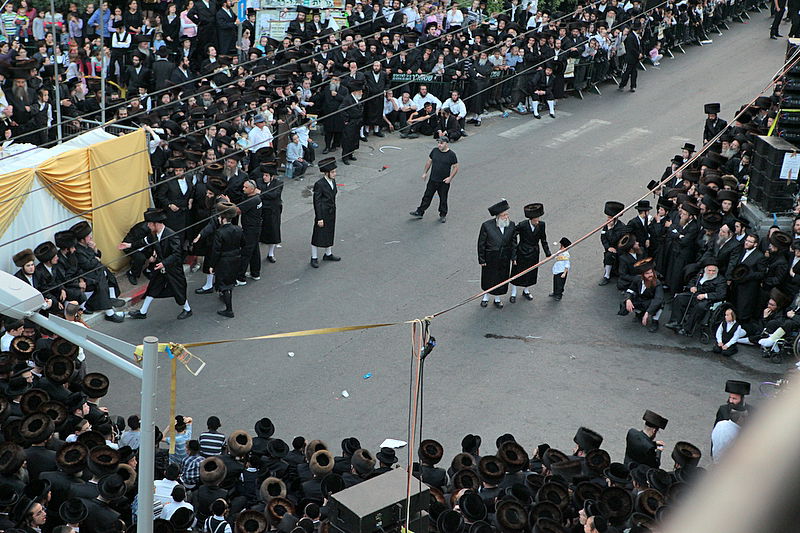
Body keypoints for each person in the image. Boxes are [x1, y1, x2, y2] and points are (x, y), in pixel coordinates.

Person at [124, 208, 193, 320]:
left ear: (156, 224)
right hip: (160, 267)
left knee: (178, 289)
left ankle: (187, 309)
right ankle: (142, 312)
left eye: (149, 224)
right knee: (153, 288)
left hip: (173, 269)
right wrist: (129, 246)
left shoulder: (172, 235)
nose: (148, 227)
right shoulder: (153, 234)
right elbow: (144, 242)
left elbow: (176, 254)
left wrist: (164, 264)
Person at [409, 136, 459, 223]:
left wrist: (450, 178)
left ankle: (443, 214)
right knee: (427, 196)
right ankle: (420, 212)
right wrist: (425, 173)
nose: (439, 145)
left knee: (443, 198)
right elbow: (429, 161)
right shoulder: (434, 151)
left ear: (446, 144)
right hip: (433, 180)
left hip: (443, 182)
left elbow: (456, 167)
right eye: (438, 143)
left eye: (441, 143)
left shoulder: (451, 155)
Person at [477, 200, 516, 309]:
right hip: (491, 258)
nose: (506, 217)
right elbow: (481, 244)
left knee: (501, 279)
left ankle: (497, 299)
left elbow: (514, 242)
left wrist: (514, 257)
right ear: (498, 216)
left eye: (507, 214)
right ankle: (485, 297)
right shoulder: (487, 226)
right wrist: (482, 259)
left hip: (504, 258)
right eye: (504, 215)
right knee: (489, 278)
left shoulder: (511, 225)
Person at [208, 202, 244, 318]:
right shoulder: (238, 229)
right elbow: (244, 243)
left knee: (224, 285)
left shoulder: (220, 232)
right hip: (236, 258)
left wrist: (212, 265)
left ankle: (229, 309)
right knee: (230, 282)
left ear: (223, 219)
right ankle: (225, 298)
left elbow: (216, 251)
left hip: (224, 261)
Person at [510, 203, 550, 302]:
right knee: (517, 272)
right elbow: (513, 236)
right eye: (535, 219)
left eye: (538, 218)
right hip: (522, 252)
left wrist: (548, 253)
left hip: (534, 252)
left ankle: (526, 290)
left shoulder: (542, 225)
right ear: (530, 219)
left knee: (530, 272)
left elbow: (543, 239)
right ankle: (513, 293)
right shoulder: (522, 225)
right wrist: (513, 255)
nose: (537, 221)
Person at [618, 257, 664, 332]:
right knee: (625, 302)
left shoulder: (657, 283)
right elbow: (630, 290)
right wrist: (628, 299)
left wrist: (647, 313)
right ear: (642, 275)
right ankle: (639, 314)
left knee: (660, 304)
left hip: (650, 302)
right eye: (647, 273)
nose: (650, 275)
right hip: (641, 300)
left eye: (651, 272)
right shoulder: (637, 279)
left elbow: (658, 299)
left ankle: (655, 321)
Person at [311, 158, 340, 268]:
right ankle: (314, 257)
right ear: (326, 173)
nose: (334, 174)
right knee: (317, 235)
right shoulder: (320, 184)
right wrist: (319, 218)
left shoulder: (332, 181)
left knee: (329, 232)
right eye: (332, 172)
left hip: (331, 212)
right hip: (322, 213)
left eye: (334, 171)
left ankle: (328, 254)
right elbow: (317, 202)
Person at [598, 201, 626, 286]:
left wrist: (610, 229)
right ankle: (607, 275)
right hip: (610, 248)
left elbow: (614, 239)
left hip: (619, 249)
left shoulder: (621, 227)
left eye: (610, 218)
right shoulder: (606, 226)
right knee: (608, 256)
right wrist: (608, 247)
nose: (608, 220)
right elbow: (603, 237)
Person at [339, 79, 364, 165]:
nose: (362, 93)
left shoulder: (357, 99)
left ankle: (350, 154)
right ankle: (345, 157)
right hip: (351, 123)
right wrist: (346, 120)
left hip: (357, 122)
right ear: (355, 92)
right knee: (348, 140)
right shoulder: (348, 99)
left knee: (354, 139)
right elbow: (341, 109)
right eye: (360, 91)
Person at [617, 22, 642, 92]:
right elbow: (631, 48)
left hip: (635, 58)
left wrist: (640, 52)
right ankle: (622, 84)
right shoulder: (631, 37)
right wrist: (638, 54)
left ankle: (633, 86)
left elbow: (639, 46)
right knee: (627, 72)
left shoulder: (636, 36)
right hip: (630, 58)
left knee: (634, 72)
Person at [549, 237, 571, 301]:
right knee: (556, 282)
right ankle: (555, 292)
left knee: (560, 284)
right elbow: (556, 256)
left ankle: (559, 294)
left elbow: (567, 264)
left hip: (562, 271)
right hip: (557, 269)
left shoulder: (566, 254)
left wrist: (564, 273)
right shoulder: (560, 251)